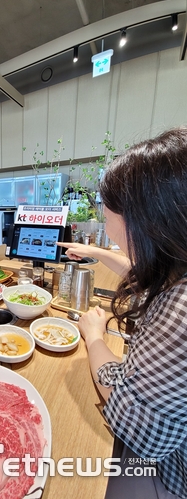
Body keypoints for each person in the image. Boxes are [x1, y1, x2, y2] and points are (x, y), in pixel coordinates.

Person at [59, 128, 187, 498]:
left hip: (171, 474)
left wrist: (94, 337)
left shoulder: (178, 312)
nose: (103, 213)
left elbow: (137, 424)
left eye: (108, 205)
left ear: (144, 220)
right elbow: (145, 275)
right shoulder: (175, 266)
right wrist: (97, 254)